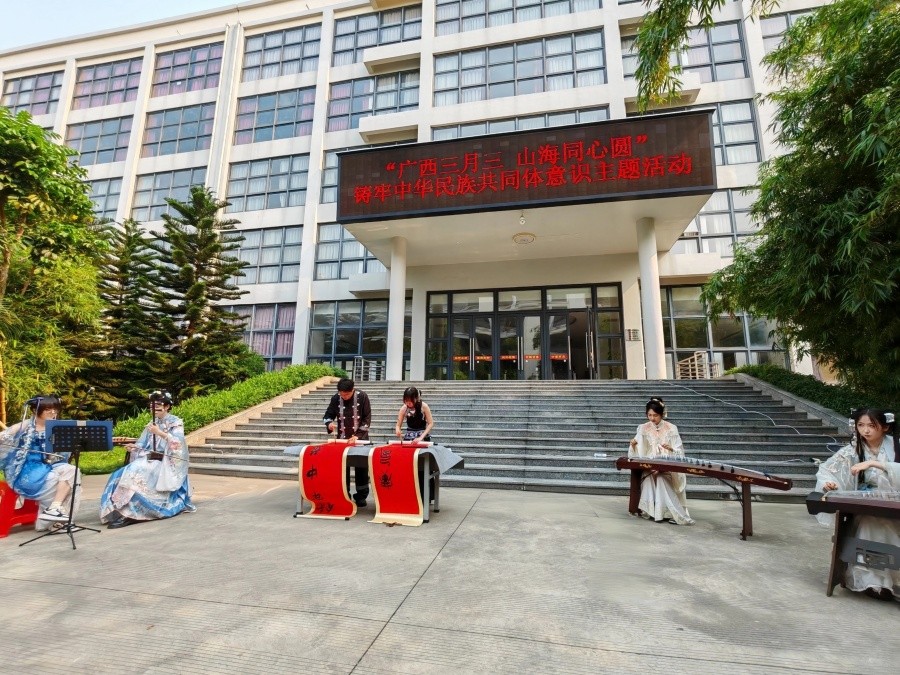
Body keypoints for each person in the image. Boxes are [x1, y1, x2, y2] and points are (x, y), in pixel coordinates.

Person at [814, 408, 899, 601]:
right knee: (870, 523)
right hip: (867, 506)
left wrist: (876, 464)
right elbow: (827, 469)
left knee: (886, 524)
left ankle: (890, 579)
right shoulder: (853, 449)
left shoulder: (897, 446)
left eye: (871, 425)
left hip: (895, 504)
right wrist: (830, 483)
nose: (865, 430)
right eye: (861, 425)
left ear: (885, 427)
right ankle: (875, 582)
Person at [99, 390, 194, 529]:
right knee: (119, 473)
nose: (153, 408)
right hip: (148, 459)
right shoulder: (152, 423)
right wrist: (134, 447)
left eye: (158, 405)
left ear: (167, 406)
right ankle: (117, 509)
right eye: (152, 405)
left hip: (164, 462)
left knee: (134, 473)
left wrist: (160, 433)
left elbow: (178, 444)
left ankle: (130, 512)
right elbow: (143, 444)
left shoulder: (176, 422)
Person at [0, 395, 81, 530]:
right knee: (67, 482)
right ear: (35, 410)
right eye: (48, 409)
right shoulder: (25, 425)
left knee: (73, 471)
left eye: (55, 409)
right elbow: (4, 437)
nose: (53, 412)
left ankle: (55, 509)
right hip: (28, 471)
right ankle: (52, 522)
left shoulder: (57, 426)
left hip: (51, 466)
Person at [628, 397, 695, 525]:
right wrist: (633, 445)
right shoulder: (643, 428)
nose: (652, 418)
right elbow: (639, 449)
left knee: (661, 477)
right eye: (649, 415)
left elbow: (679, 450)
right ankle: (653, 511)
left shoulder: (671, 428)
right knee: (649, 475)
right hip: (650, 463)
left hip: (668, 463)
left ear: (662, 414)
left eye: (655, 415)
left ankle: (670, 513)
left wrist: (671, 449)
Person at [323, 378, 371, 507]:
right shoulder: (335, 398)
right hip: (342, 439)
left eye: (347, 394)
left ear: (352, 390)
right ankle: (345, 494)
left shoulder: (362, 396)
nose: (344, 397)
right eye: (342, 394)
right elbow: (328, 415)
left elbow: (367, 418)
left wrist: (357, 436)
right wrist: (329, 424)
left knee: (361, 467)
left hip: (360, 438)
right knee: (343, 467)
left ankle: (361, 496)